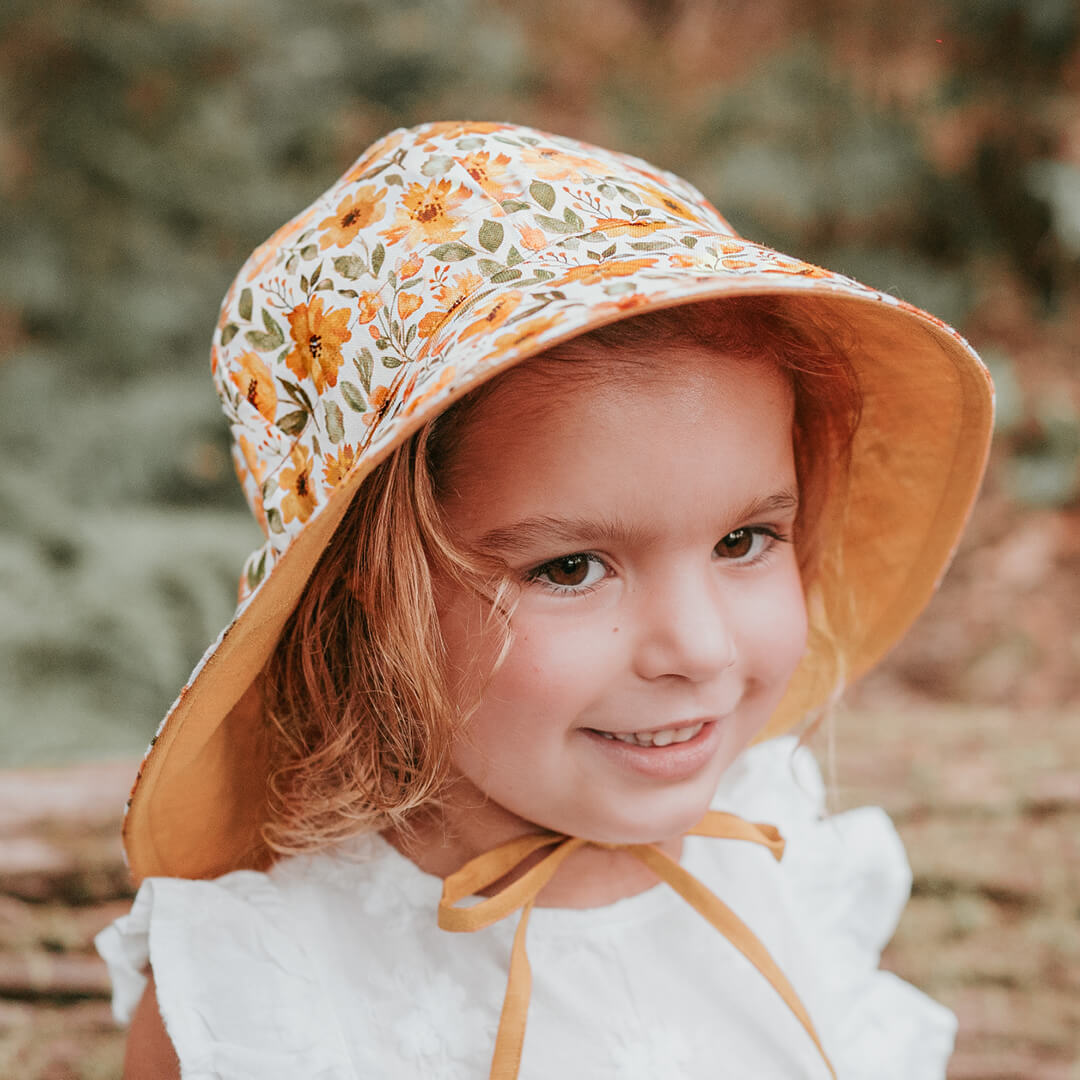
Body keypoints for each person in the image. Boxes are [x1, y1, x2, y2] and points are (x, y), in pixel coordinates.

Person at [96, 121, 994, 1079]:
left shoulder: (780, 861)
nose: (697, 648)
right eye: (571, 568)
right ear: (365, 598)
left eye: (744, 541)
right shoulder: (265, 991)